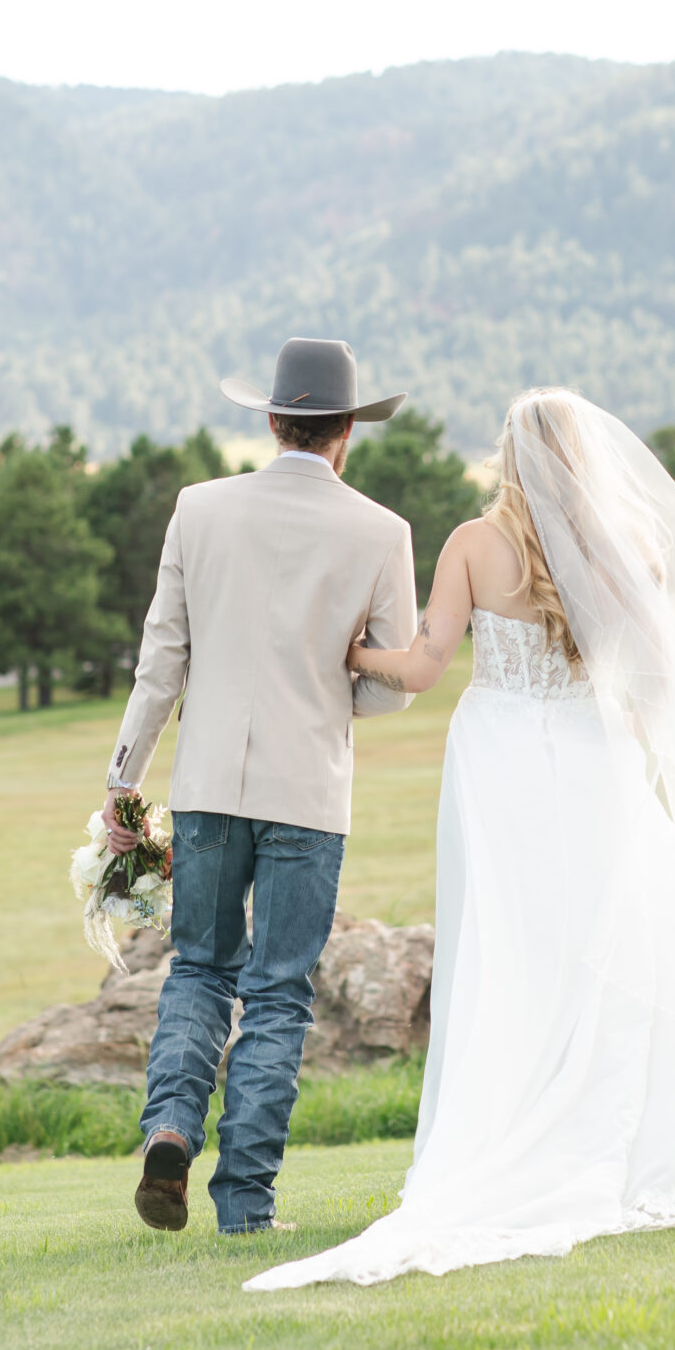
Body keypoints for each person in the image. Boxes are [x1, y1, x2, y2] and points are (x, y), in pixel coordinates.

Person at [245, 387, 675, 1290]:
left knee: (507, 949)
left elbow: (420, 665)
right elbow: (657, 682)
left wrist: (349, 652)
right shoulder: (630, 547)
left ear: (508, 453)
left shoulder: (473, 542)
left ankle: (510, 1127)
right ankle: (616, 1131)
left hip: (497, 762)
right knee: (608, 942)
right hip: (593, 754)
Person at [103, 337, 421, 1236]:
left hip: (207, 786)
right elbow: (388, 685)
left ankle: (169, 1124)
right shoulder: (381, 531)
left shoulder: (197, 510)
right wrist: (337, 685)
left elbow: (160, 663)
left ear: (275, 420)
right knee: (280, 991)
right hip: (309, 794)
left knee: (199, 967)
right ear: (345, 432)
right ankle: (246, 1204)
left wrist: (123, 785)